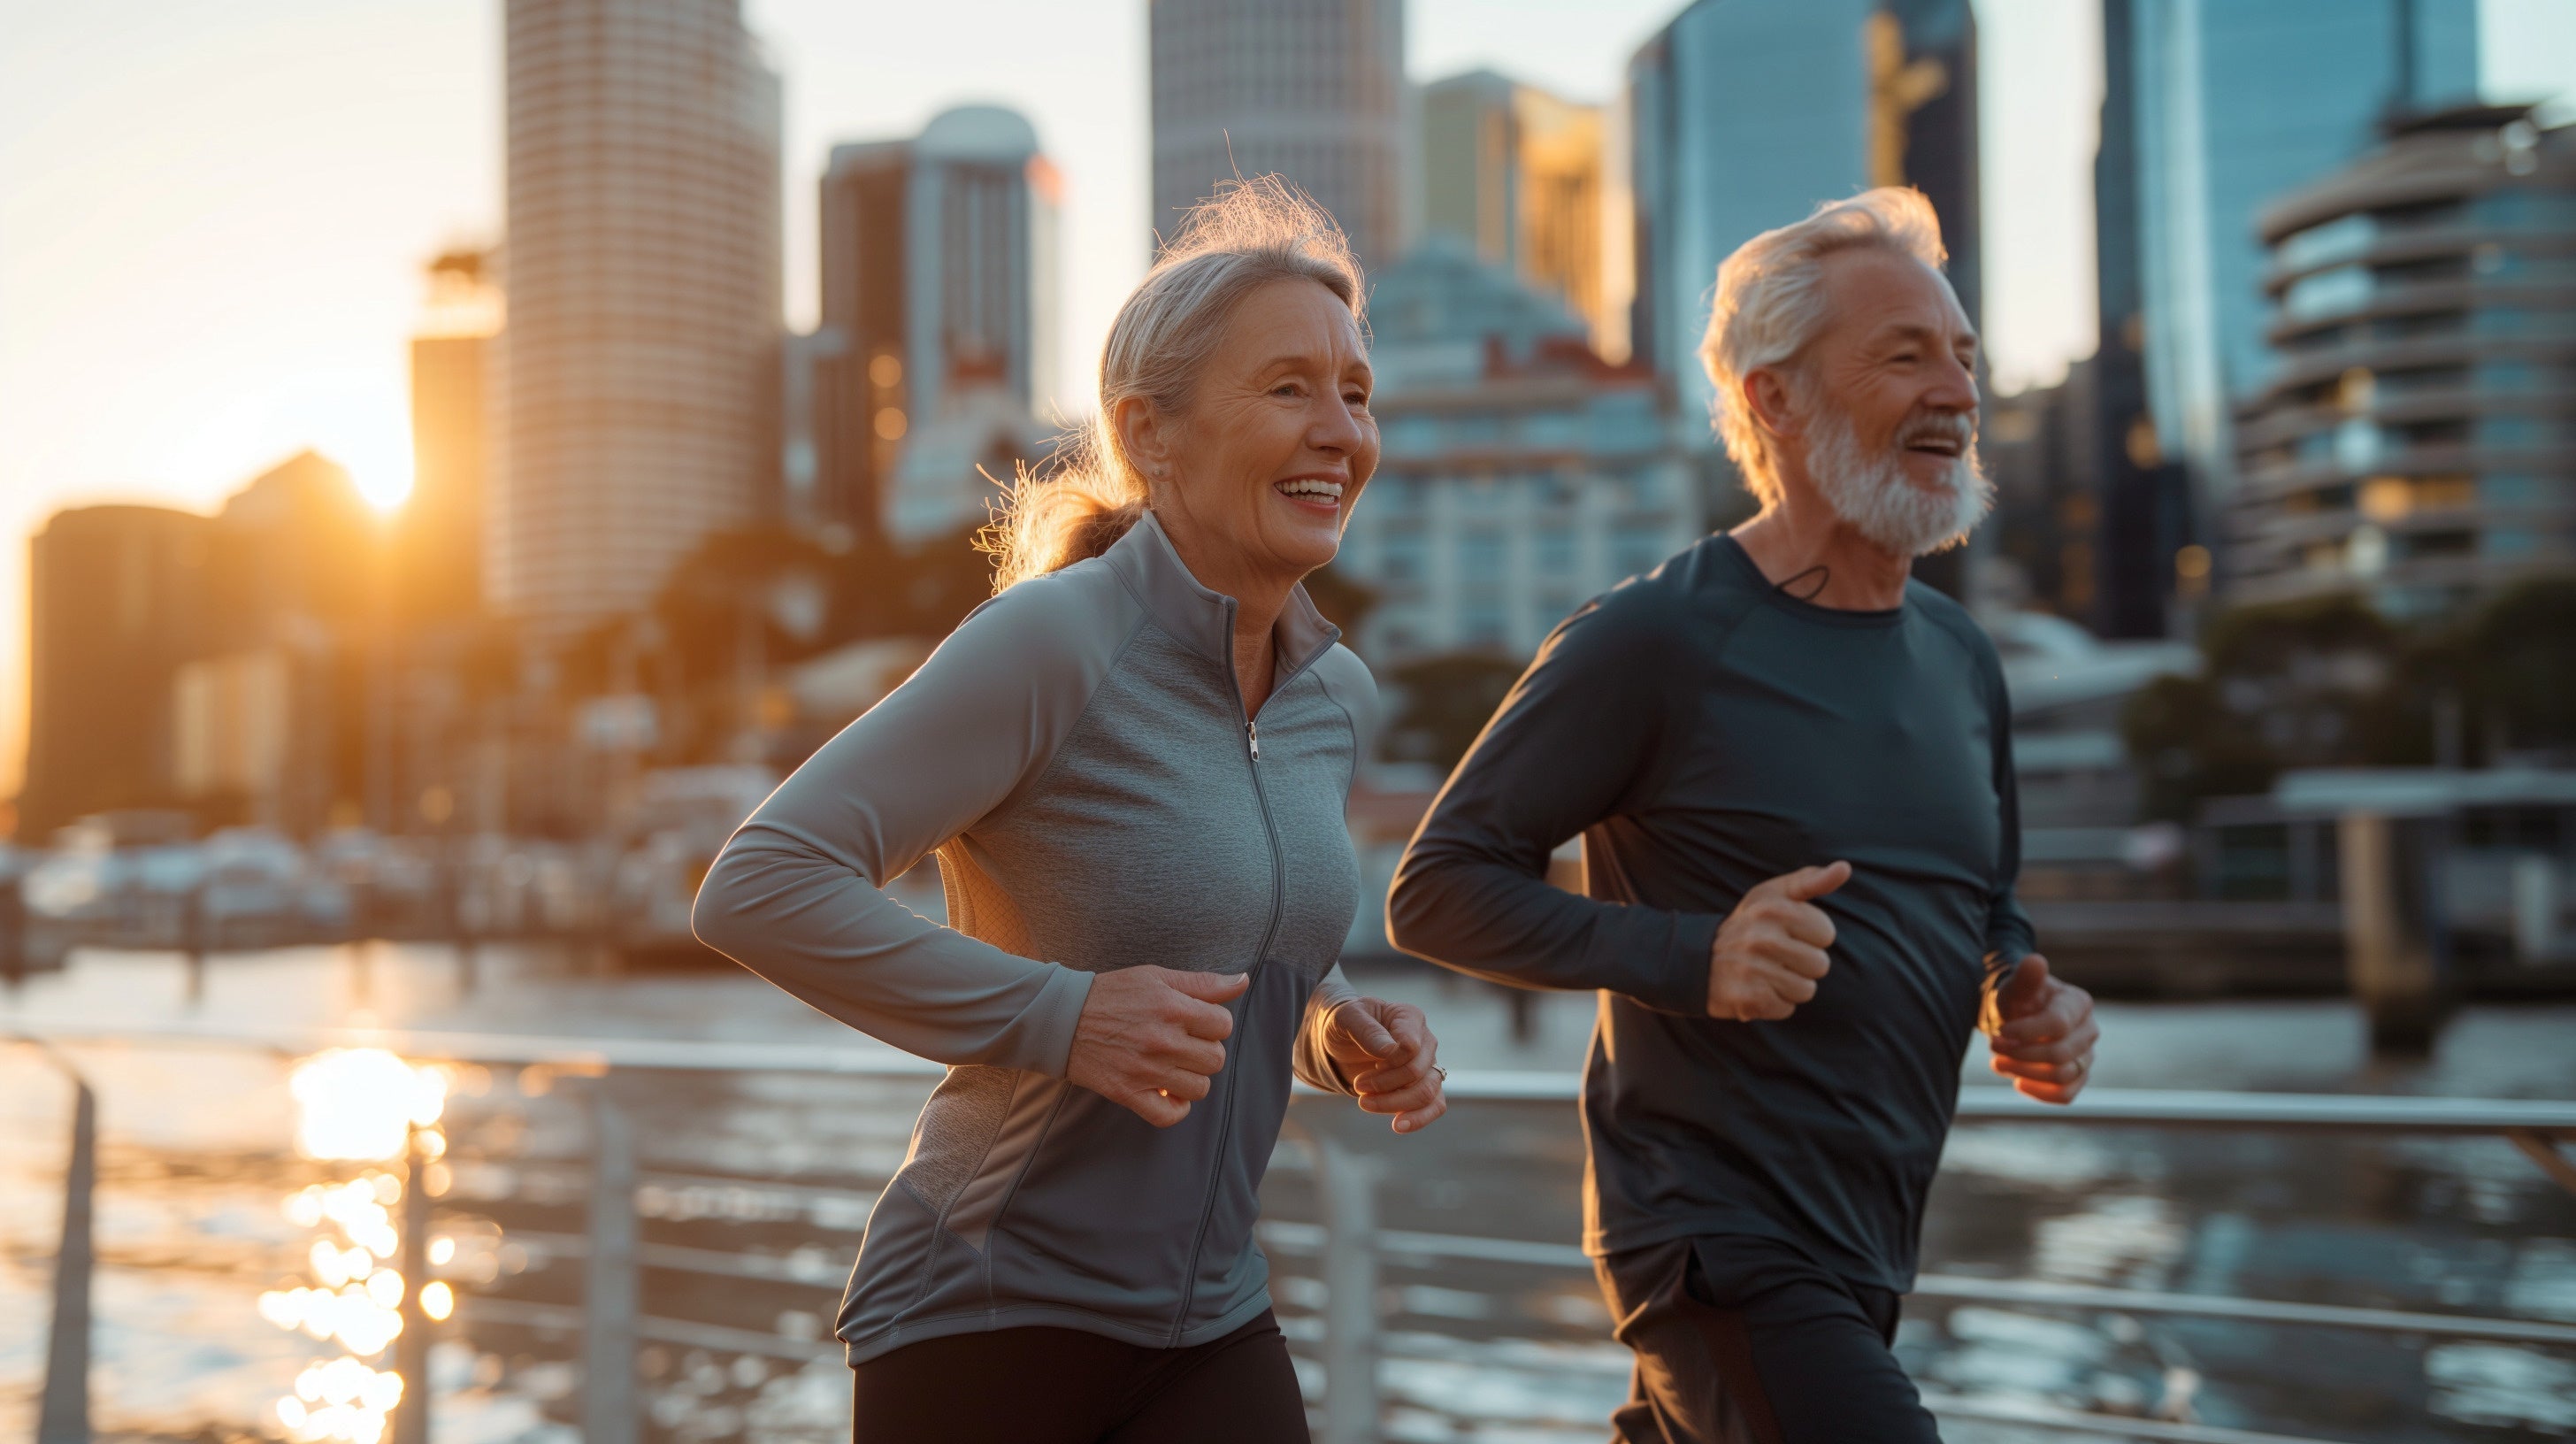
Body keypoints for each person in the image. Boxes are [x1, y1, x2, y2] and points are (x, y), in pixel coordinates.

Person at [692, 178, 1447, 1443]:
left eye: (1355, 393)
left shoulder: (1333, 693)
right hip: (991, 1314)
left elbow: (1218, 960)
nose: (1339, 431)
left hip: (1212, 1317)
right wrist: (1064, 1017)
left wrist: (1327, 1037)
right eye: (1288, 389)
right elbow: (759, 883)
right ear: (1151, 434)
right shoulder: (1055, 640)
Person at [1384, 188, 2100, 1442]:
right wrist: (1693, 956)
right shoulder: (1661, 636)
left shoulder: (1960, 657)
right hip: (1714, 1248)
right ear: (1774, 399)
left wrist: (2022, 990)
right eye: (1906, 354)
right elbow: (1438, 885)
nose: (1957, 391)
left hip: (1871, 1250)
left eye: (1965, 356)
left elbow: (1984, 902)